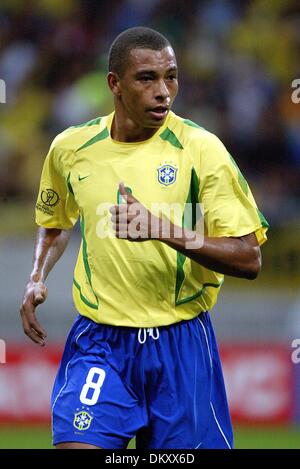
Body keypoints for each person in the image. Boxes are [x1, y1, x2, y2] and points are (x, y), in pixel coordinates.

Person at [20, 26, 269, 450]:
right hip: (101, 340)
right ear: (114, 84)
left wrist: (162, 229)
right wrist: (37, 275)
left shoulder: (201, 149)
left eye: (170, 76)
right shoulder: (71, 148)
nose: (163, 91)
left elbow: (249, 258)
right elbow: (57, 222)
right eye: (147, 78)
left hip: (180, 343)